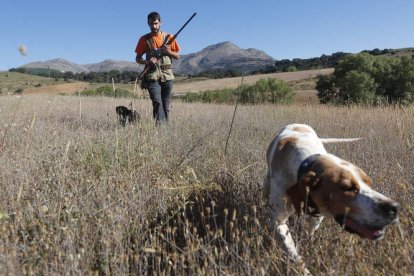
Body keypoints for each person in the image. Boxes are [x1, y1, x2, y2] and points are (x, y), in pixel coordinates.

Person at [135, 11, 180, 123]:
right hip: (152, 76)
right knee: (157, 102)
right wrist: (147, 62)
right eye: (151, 24)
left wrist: (168, 51)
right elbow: (138, 58)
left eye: (155, 23)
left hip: (167, 76)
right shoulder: (144, 39)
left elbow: (177, 56)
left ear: (160, 23)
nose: (153, 26)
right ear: (148, 24)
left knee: (166, 104)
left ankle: (165, 129)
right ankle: (160, 128)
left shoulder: (169, 37)